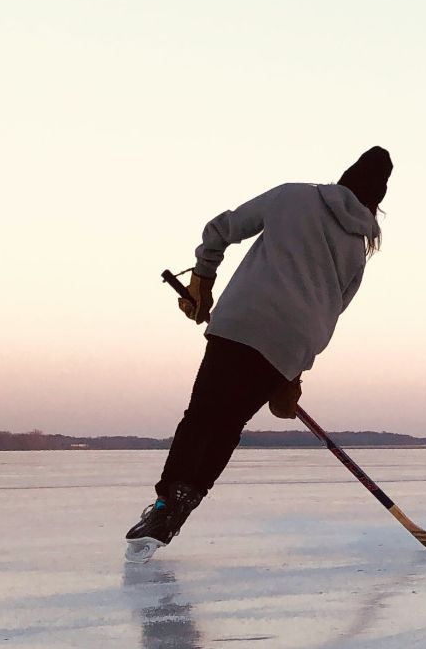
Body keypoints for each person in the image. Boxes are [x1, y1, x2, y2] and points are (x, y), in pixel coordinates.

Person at [125, 146, 392, 562]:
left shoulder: (293, 195)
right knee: (228, 423)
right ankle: (182, 506)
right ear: (375, 204)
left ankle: (166, 504)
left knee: (202, 414)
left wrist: (202, 279)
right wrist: (294, 371)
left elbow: (220, 229)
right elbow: (330, 312)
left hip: (243, 320)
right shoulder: (358, 249)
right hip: (289, 347)